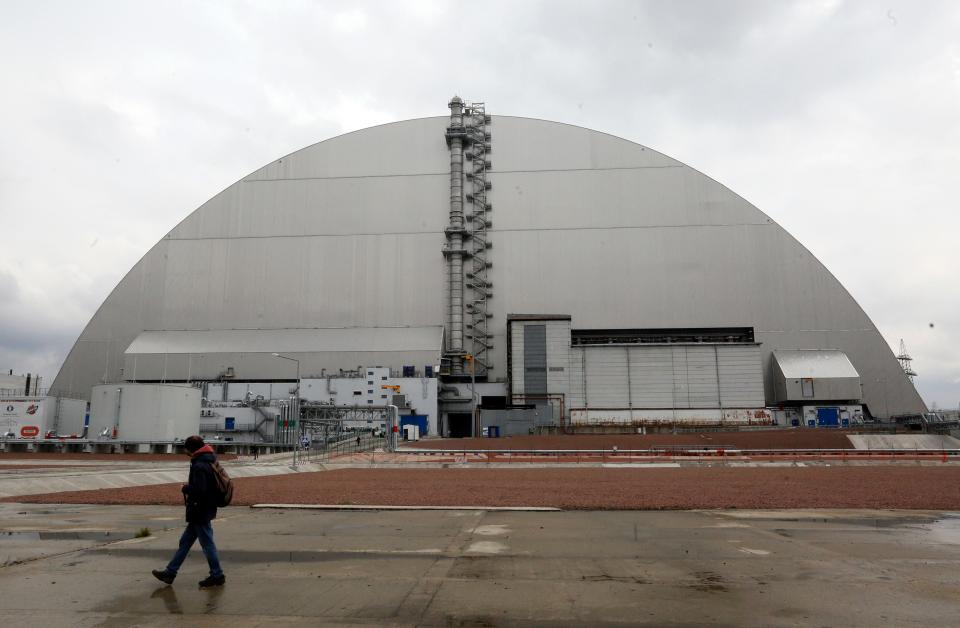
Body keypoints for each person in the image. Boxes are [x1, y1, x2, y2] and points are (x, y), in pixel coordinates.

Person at [152, 435, 225, 588]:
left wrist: (185, 488)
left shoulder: (199, 465)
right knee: (185, 543)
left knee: (207, 544)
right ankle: (170, 573)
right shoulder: (209, 460)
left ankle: (217, 575)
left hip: (200, 510)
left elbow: (200, 490)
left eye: (186, 448)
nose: (184, 450)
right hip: (203, 509)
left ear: (192, 449)